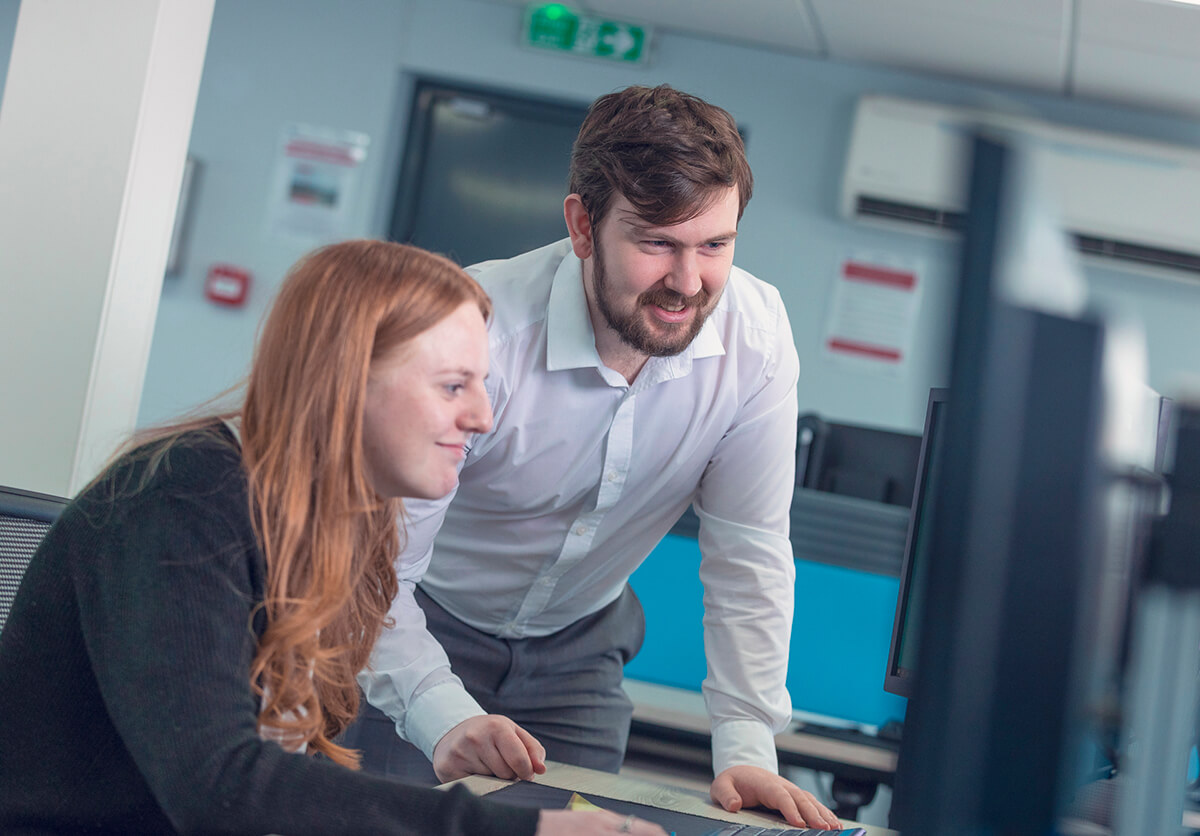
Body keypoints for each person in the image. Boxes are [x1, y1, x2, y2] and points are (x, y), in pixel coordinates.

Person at [0, 241, 664, 836]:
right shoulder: (182, 496)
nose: (483, 415)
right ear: (348, 382)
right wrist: (518, 832)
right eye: (454, 386)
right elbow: (221, 788)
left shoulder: (336, 520)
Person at [346, 86, 844, 831]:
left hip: (580, 650)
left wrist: (746, 747)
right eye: (657, 243)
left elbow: (749, 551)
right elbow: (373, 568)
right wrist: (440, 711)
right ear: (583, 225)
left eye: (715, 245)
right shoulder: (479, 332)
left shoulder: (757, 339)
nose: (688, 282)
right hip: (419, 623)